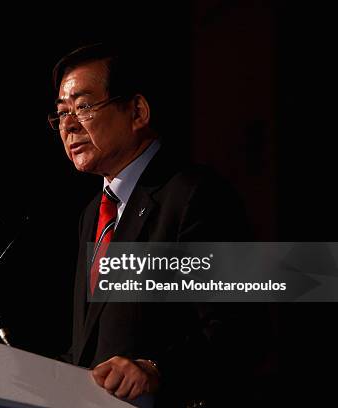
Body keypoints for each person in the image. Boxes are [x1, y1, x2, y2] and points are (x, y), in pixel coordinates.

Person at [50, 43, 259, 407]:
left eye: (83, 107)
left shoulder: (195, 195)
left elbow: (242, 331)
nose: (68, 125)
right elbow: (91, 348)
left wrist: (155, 369)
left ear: (137, 111)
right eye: (61, 113)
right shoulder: (92, 216)